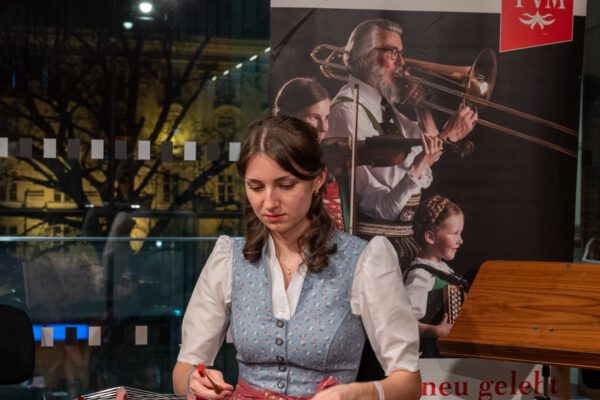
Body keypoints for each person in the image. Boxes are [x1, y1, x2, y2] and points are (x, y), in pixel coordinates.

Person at [172, 116, 421, 400]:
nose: (269, 203)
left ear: (318, 179)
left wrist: (356, 394)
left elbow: (409, 383)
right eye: (256, 187)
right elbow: (184, 370)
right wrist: (194, 380)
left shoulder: (365, 260)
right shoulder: (229, 258)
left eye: (286, 185)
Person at [326, 18, 478, 266]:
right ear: (365, 57)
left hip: (399, 245)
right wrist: (447, 137)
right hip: (372, 250)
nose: (402, 62)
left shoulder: (382, 104)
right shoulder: (347, 110)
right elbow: (384, 202)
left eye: (401, 53)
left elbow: (422, 147)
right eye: (392, 53)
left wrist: (422, 107)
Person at [273, 77, 347, 231]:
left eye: (326, 118)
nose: (324, 127)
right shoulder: (276, 160)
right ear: (289, 116)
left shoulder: (321, 159)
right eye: (314, 117)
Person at [404, 195, 468, 358]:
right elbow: (403, 323)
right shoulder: (420, 275)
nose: (460, 240)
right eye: (455, 233)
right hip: (429, 359)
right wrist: (435, 331)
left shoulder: (443, 269)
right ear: (430, 237)